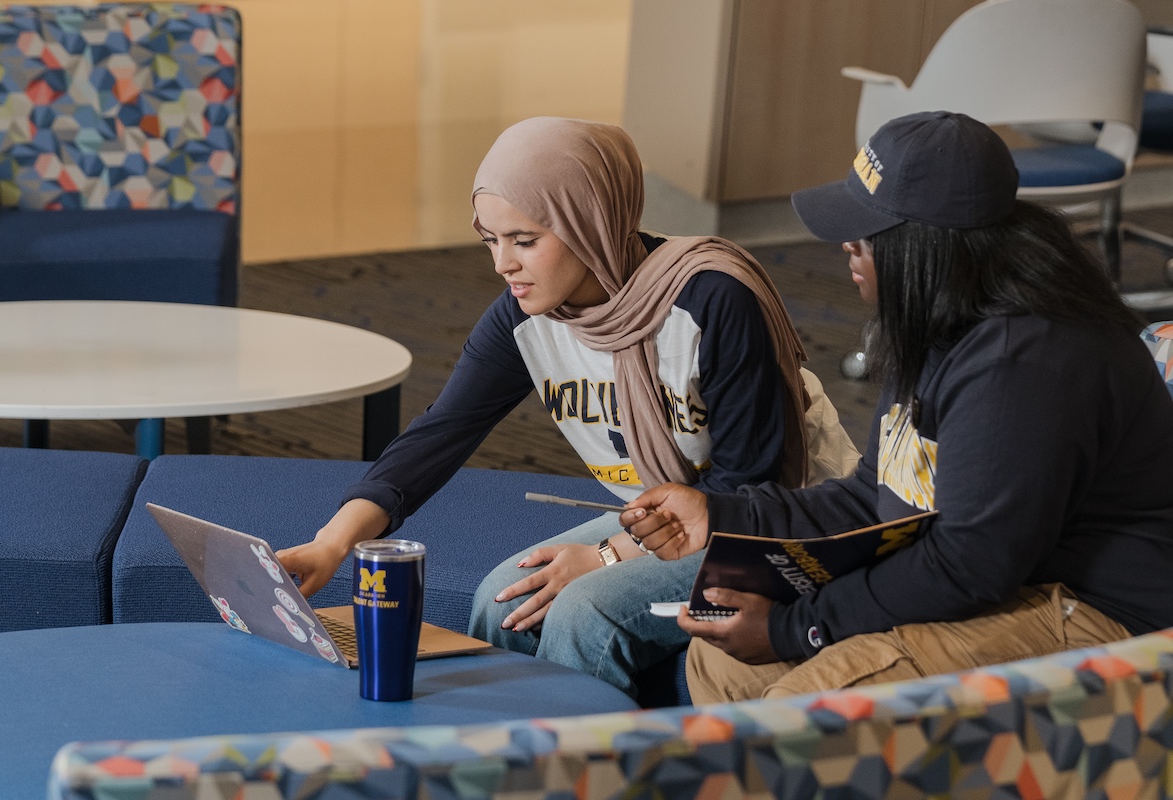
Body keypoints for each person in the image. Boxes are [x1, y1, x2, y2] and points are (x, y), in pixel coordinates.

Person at [276, 116, 859, 698]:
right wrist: (333, 542)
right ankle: (491, 761)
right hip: (659, 519)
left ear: (592, 224)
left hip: (781, 522)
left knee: (586, 611)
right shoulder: (526, 314)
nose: (502, 264)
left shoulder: (714, 298)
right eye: (490, 240)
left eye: (524, 241)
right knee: (500, 594)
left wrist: (608, 555)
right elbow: (441, 433)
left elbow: (747, 488)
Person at [622, 110, 1173, 703]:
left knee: (802, 715)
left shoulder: (1023, 358)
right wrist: (723, 515)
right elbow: (879, 496)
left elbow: (968, 566)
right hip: (1013, 578)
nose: (847, 245)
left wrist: (793, 628)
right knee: (722, 661)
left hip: (1103, 614)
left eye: (868, 233)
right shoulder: (940, 319)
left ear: (928, 247)